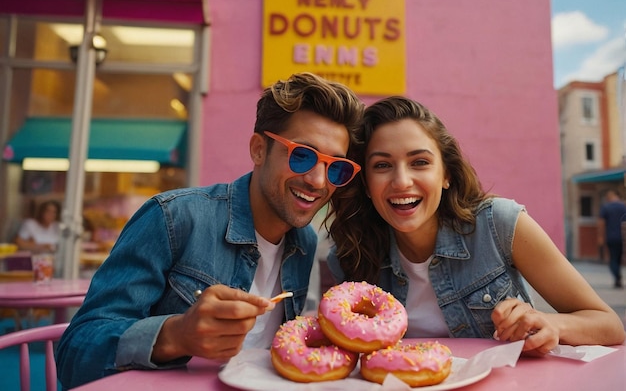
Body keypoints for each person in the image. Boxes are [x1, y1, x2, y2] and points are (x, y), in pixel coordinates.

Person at [56, 72, 364, 389]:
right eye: (301, 155)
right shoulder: (173, 218)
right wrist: (176, 335)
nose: (317, 181)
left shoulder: (304, 241)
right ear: (259, 149)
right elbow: (73, 354)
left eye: (335, 167)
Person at [327, 96, 625, 357]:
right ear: (365, 183)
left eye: (419, 162)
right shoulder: (349, 255)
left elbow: (609, 324)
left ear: (447, 175)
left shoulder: (500, 224)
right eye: (382, 165)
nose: (402, 181)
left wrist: (552, 323)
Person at [598, 189, 626, 288]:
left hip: (611, 237)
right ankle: (618, 277)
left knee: (613, 259)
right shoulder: (623, 206)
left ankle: (617, 277)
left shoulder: (606, 207)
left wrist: (600, 237)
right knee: (619, 258)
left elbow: (601, 223)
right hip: (623, 237)